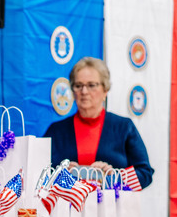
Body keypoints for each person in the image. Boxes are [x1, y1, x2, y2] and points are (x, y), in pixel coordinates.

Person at [43, 57, 154, 187]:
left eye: (91, 85)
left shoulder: (124, 127)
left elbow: (145, 173)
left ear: (105, 90)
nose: (84, 91)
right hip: (67, 206)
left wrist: (115, 177)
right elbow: (38, 173)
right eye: (78, 85)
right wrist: (59, 176)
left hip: (113, 206)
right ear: (72, 91)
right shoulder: (56, 130)